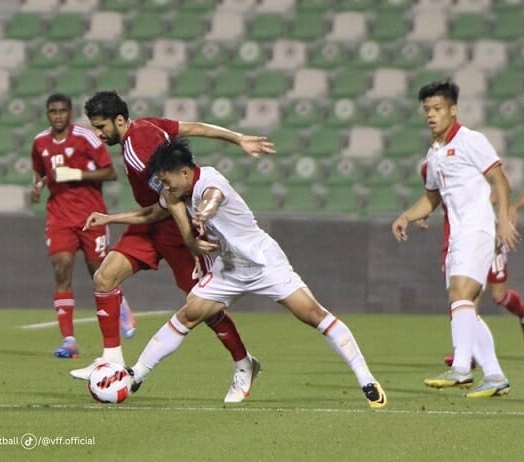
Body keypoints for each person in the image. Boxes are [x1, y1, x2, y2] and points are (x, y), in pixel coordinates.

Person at [86, 138, 387, 408]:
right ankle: (136, 375)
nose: (166, 188)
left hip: (263, 262)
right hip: (229, 267)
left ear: (185, 172)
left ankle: (366, 379)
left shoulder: (209, 181)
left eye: (167, 181)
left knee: (312, 314)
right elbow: (152, 213)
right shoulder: (178, 191)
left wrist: (202, 214)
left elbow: (213, 199)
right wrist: (110, 218)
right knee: (190, 314)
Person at [72, 90, 276, 404]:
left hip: (174, 228)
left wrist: (191, 242)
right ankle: (111, 359)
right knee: (104, 278)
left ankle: (244, 363)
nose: (98, 134)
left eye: (101, 127)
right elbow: (196, 127)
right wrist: (237, 138)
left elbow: (173, 201)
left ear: (120, 120)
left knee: (204, 307)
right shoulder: (150, 125)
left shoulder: (139, 151)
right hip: (150, 224)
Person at [392, 80, 518, 397]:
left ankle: (461, 369)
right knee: (462, 305)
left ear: (453, 110)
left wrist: (503, 220)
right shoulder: (433, 155)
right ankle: (494, 375)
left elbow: (500, 181)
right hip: (457, 232)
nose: (431, 115)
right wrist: (408, 215)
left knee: (461, 293)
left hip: (477, 227)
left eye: (437, 109)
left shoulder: (471, 140)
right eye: (427, 110)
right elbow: (432, 199)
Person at [29, 93, 136, 359]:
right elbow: (40, 170)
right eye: (52, 111)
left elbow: (110, 172)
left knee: (99, 274)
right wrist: (38, 185)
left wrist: (75, 174)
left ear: (70, 113)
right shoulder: (40, 142)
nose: (57, 116)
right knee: (61, 267)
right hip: (59, 217)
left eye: (62, 111)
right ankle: (69, 341)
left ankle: (121, 307)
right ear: (47, 114)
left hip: (91, 215)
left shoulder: (87, 137)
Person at [416, 162, 524, 367]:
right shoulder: (429, 167)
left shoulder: (470, 160)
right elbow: (435, 195)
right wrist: (425, 212)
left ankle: (521, 313)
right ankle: (468, 355)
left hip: (488, 236)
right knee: (465, 297)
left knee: (499, 296)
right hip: (462, 240)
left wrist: (502, 208)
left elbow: (502, 187)